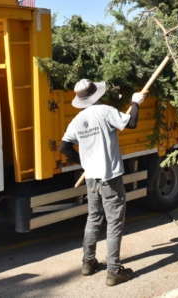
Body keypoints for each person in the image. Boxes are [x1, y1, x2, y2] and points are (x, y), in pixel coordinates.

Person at [59, 79, 145, 287]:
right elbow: (131, 123)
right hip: (110, 178)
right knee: (114, 223)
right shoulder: (105, 111)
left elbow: (64, 147)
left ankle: (88, 262)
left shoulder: (78, 120)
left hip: (92, 179)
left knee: (93, 218)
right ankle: (114, 271)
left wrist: (85, 163)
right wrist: (136, 102)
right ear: (96, 94)